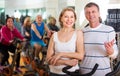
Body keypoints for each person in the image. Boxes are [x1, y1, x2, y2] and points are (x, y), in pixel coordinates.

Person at [80, 2, 118, 76]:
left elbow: (115, 55)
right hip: (84, 72)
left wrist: (111, 51)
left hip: (103, 73)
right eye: (88, 12)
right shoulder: (82, 31)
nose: (90, 14)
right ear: (85, 15)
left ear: (99, 13)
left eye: (93, 11)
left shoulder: (109, 30)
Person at [46, 7, 84, 76]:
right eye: (66, 16)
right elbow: (48, 59)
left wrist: (61, 54)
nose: (69, 19)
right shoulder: (54, 35)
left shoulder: (78, 33)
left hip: (71, 72)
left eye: (72, 17)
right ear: (61, 18)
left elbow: (80, 55)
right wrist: (66, 62)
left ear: (75, 19)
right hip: (54, 72)